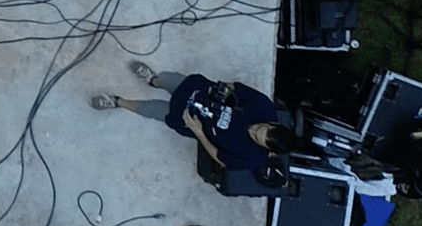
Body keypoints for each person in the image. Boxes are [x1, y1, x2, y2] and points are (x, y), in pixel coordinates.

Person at [92, 61, 296, 174]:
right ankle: (154, 81)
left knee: (154, 110)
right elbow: (235, 87)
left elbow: (220, 159)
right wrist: (221, 91)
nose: (253, 130)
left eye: (256, 137)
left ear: (266, 149)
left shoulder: (253, 158)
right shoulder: (265, 107)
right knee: (168, 79)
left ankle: (117, 102)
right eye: (259, 128)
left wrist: (199, 132)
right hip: (200, 92)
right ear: (272, 122)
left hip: (194, 122)